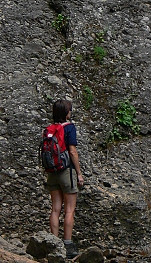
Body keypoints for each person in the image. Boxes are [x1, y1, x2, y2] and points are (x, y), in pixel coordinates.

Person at [44, 99, 84, 259]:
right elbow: (72, 151)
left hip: (52, 171)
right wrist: (79, 173)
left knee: (55, 209)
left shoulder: (49, 129)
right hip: (66, 171)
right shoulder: (69, 128)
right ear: (66, 113)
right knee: (69, 209)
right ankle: (67, 244)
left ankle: (54, 243)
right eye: (70, 110)